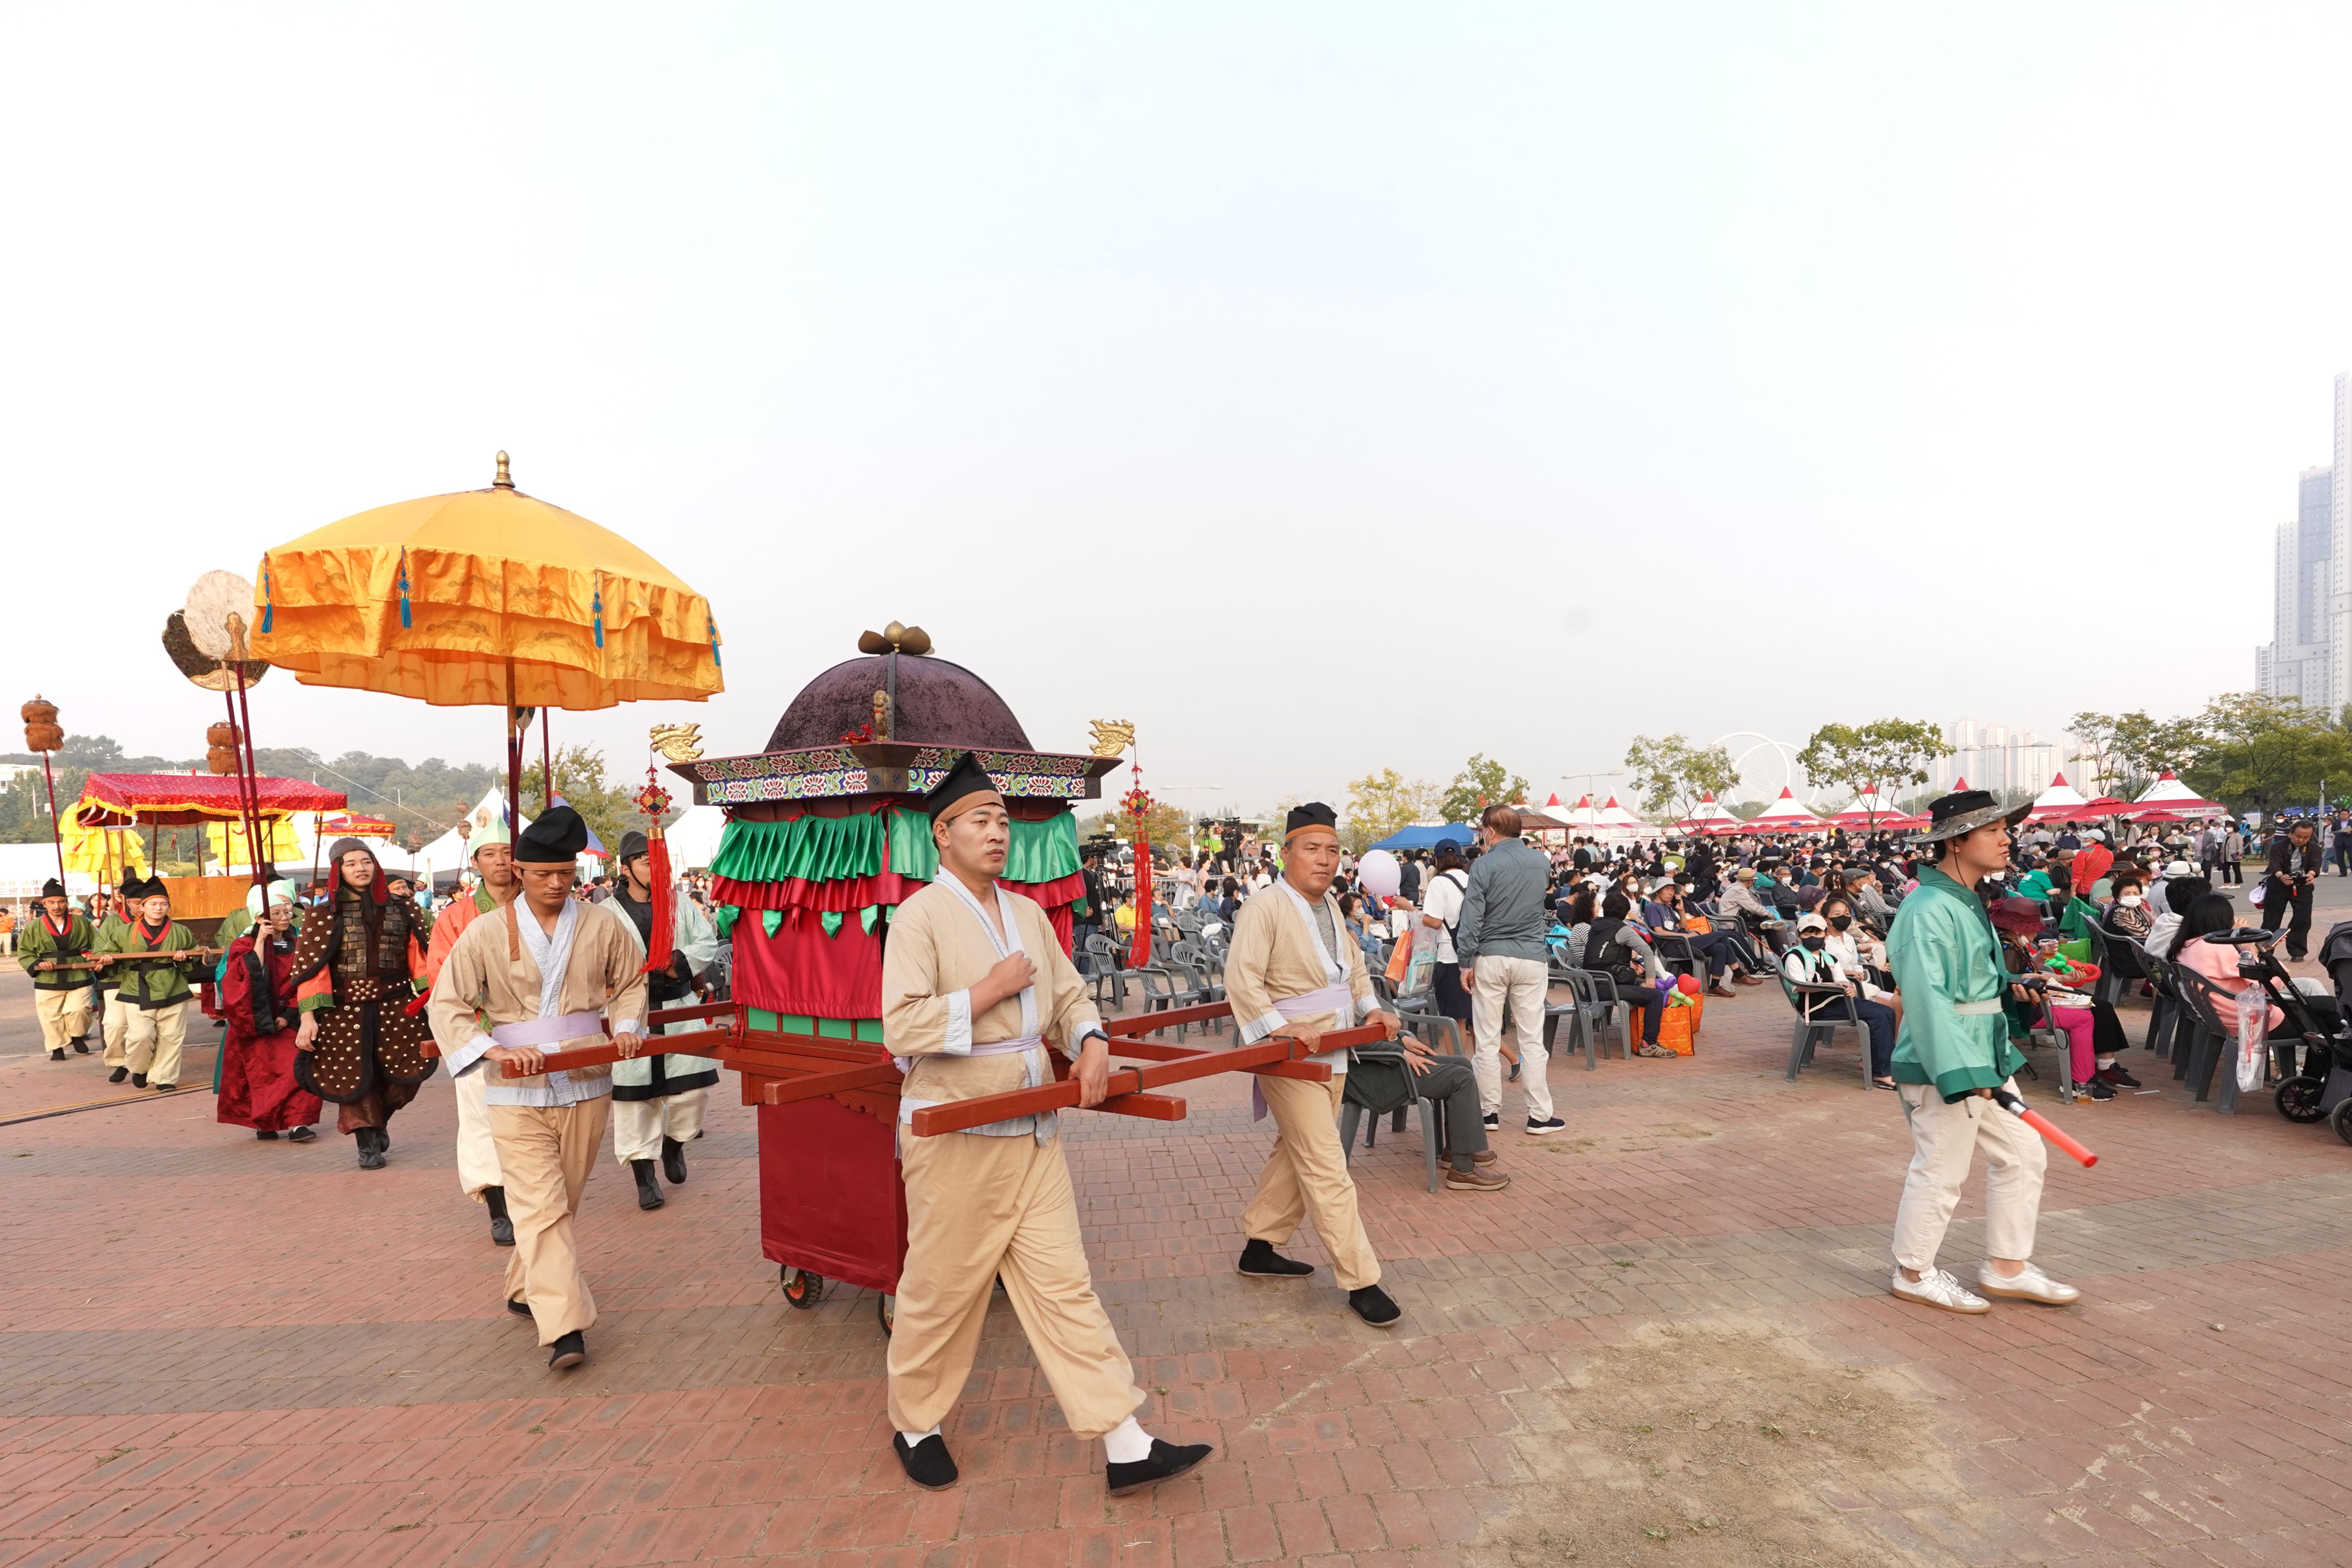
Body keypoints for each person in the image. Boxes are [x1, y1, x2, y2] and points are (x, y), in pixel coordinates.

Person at [878, 753, 1209, 1494]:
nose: (997, 833)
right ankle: (915, 1422)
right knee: (942, 1289)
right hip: (955, 1129)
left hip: (1033, 1126)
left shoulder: (1027, 913)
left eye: (1002, 820)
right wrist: (986, 991)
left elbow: (1069, 995)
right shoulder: (919, 915)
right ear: (943, 835)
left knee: (1066, 1286)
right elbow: (900, 1027)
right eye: (980, 821)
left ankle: (1124, 1440)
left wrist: (1092, 1039)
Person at [427, 805, 649, 1373]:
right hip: (514, 1086)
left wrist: (625, 1028)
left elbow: (629, 983)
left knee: (561, 1203)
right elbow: (447, 1005)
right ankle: (565, 1328)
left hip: (585, 1076)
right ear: (517, 871)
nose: (556, 884)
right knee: (540, 1204)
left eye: (566, 874)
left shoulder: (601, 924)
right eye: (544, 873)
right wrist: (493, 1049)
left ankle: (525, 1287)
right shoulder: (482, 932)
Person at [1883, 790, 2079, 1315]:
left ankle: (2007, 1266)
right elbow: (1925, 1000)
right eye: (1993, 830)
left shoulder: (1963, 898)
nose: (2006, 839)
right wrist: (1960, 1072)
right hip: (1948, 1062)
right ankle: (1914, 1271)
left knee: (2023, 1154)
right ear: (1957, 841)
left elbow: (1966, 982)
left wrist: (2011, 981)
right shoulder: (1928, 907)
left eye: (2004, 829)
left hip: (1983, 1057)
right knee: (1942, 1169)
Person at [1224, 801, 1406, 1325]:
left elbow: (1353, 972)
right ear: (1286, 854)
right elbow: (1243, 979)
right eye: (1311, 849)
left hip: (1336, 1046)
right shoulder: (1265, 907)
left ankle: (1260, 1247)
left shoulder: (1330, 906)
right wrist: (1281, 1028)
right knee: (1327, 1166)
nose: (1324, 860)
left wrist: (1374, 1008)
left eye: (1332, 850)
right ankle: (1361, 1280)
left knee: (1297, 1152)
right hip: (1290, 1055)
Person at [292, 838, 437, 1170]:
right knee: (355, 1079)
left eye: (366, 861)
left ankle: (378, 1123)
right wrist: (308, 1017)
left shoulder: (405, 908)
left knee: (407, 1074)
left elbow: (419, 958)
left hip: (397, 1005)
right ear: (338, 871)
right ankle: (367, 1142)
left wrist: (433, 999)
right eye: (351, 863)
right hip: (343, 1010)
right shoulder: (322, 914)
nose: (361, 868)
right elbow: (313, 970)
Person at [608, 828, 720, 1211]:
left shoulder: (680, 904)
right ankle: (645, 1179)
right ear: (626, 868)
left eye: (658, 861)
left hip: (679, 1007)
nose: (653, 868)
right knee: (634, 1104)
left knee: (693, 1093)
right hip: (631, 1015)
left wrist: (674, 963)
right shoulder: (606, 912)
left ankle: (674, 1145)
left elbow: (706, 941)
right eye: (644, 861)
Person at [425, 819, 521, 1245]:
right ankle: (499, 1206)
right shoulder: (455, 917)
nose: (500, 860)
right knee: (482, 1120)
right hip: (479, 1034)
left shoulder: (542, 904)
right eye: (490, 853)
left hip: (538, 1030)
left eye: (507, 851)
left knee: (535, 1118)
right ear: (476, 863)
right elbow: (443, 980)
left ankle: (531, 1198)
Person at [1455, 805, 1560, 1135]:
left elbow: (1472, 919)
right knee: (1532, 1039)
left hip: (1491, 956)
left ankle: (1488, 1113)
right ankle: (1540, 1115)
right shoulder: (1541, 862)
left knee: (1486, 1039)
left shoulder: (1483, 865)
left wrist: (1464, 962)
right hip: (1531, 956)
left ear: (1491, 830)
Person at [217, 881, 322, 1140]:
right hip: (257, 1021)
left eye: (287, 912)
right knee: (262, 1075)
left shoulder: (299, 943)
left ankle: (299, 1124)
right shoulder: (243, 946)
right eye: (276, 913)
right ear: (259, 918)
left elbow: (309, 981)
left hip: (293, 1018)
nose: (285, 917)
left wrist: (289, 1016)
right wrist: (261, 942)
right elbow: (244, 981)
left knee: (298, 1070)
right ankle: (267, 1123)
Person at [92, 878, 205, 1091]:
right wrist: (106, 959)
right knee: (140, 1036)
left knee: (172, 1037)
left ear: (169, 907)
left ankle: (165, 1078)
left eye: (163, 904)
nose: (158, 908)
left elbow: (195, 953)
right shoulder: (123, 932)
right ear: (142, 908)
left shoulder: (181, 931)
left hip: (172, 984)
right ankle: (140, 1068)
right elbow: (103, 953)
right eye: (153, 904)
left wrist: (186, 957)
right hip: (137, 986)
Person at [1783, 911, 1898, 1089]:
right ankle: (1882, 1073)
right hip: (1816, 1007)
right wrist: (1832, 985)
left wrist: (1847, 986)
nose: (1812, 937)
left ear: (1826, 935)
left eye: (1817, 933)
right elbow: (1798, 985)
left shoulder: (1828, 957)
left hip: (1837, 1001)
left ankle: (1873, 1062)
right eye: (1807, 934)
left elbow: (1840, 979)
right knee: (1877, 1017)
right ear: (1799, 936)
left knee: (1888, 1012)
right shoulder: (1795, 956)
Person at [17, 877, 95, 1063]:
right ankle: (57, 1047)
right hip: (47, 975)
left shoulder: (80, 922)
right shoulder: (34, 926)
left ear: (66, 903)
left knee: (80, 1009)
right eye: (51, 902)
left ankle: (76, 1035)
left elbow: (96, 945)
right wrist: (38, 963)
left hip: (78, 970)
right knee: (49, 1014)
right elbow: (25, 951)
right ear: (44, 903)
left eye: (60, 901)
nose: (56, 906)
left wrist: (94, 959)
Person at [1417, 842, 1473, 1028]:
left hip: (1450, 956)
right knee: (1473, 1020)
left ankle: (1457, 1058)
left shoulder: (1439, 882)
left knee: (1453, 1022)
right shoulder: (1471, 879)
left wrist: (1418, 916)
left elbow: (1435, 922)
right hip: (1474, 955)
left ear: (1436, 859)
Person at [2260, 818, 2320, 961]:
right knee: (2271, 920)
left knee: (2303, 919)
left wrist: (2311, 875)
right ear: (2291, 833)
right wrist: (2281, 876)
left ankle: (2297, 951)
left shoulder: (2314, 849)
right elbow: (2275, 865)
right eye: (2298, 836)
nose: (2301, 840)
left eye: (2306, 837)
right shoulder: (2278, 846)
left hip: (2303, 887)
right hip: (2278, 886)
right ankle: (2265, 952)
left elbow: (2315, 865)